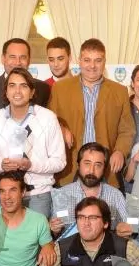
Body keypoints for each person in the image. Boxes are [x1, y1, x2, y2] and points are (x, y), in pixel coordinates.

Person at [0, 67, 66, 217]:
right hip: (6, 194)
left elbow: (59, 162)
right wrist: (1, 165)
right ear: (6, 91)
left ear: (32, 92)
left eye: (24, 86)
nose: (18, 91)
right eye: (12, 85)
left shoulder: (48, 118)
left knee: (32, 238)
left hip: (39, 194)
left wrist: (31, 165)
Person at [50, 39, 134, 186]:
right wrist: (62, 129)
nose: (92, 66)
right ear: (79, 61)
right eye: (87, 60)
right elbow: (49, 121)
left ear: (104, 61)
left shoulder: (120, 91)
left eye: (98, 60)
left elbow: (126, 130)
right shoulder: (60, 88)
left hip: (106, 169)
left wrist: (120, 151)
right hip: (69, 169)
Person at [48, 143, 133, 239]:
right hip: (70, 250)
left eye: (98, 165)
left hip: (106, 251)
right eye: (87, 163)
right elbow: (55, 234)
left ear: (104, 169)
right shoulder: (61, 194)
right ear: (78, 165)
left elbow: (129, 228)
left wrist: (124, 229)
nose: (92, 171)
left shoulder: (116, 195)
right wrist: (54, 230)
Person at [0, 38, 51, 129]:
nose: (18, 62)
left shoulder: (43, 88)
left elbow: (46, 122)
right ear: (3, 59)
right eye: (12, 57)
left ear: (29, 60)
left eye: (23, 57)